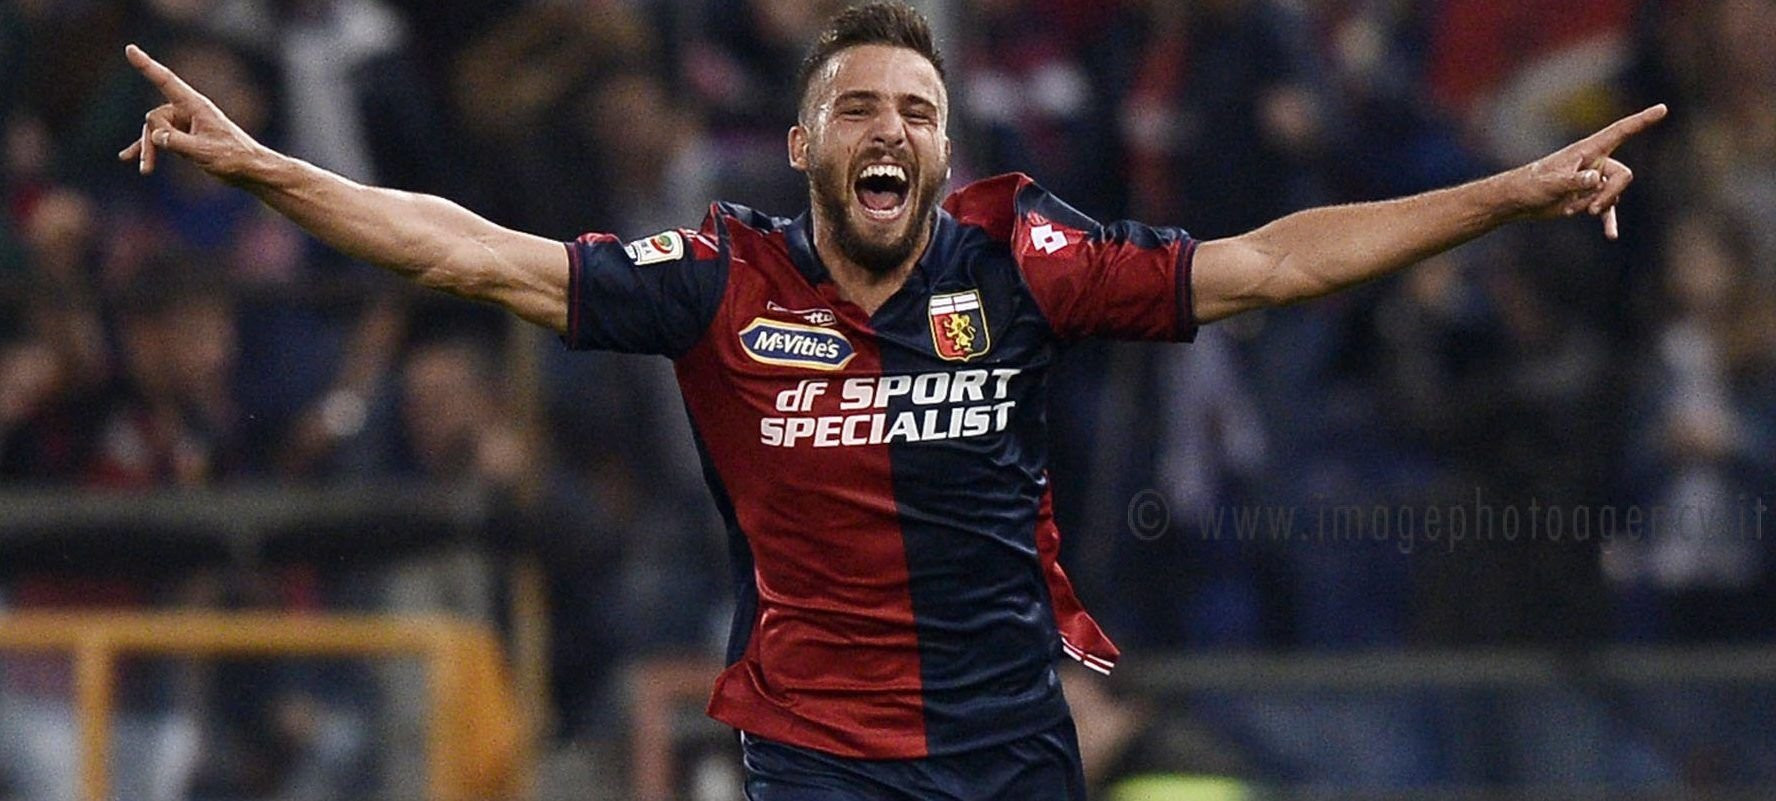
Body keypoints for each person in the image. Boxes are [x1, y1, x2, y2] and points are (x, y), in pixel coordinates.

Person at [117, 2, 1664, 797]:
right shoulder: (719, 276)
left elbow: (1264, 264)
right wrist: (264, 169)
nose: (889, 127)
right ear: (804, 146)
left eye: (915, 109)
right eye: (856, 105)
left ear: (941, 147)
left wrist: (1502, 192)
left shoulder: (1025, 256)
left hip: (1011, 750)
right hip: (821, 758)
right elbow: (470, 252)